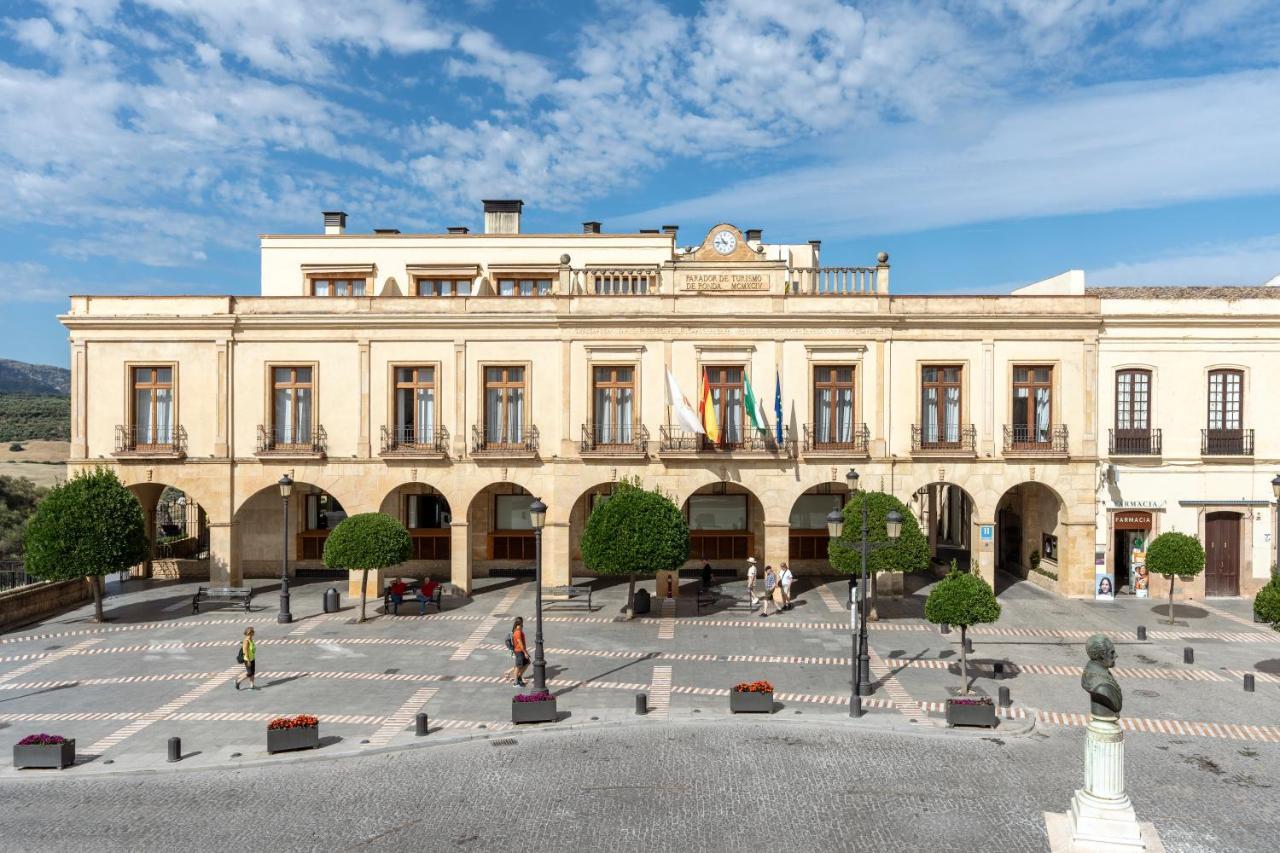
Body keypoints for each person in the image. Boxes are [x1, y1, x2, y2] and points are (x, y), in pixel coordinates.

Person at [505, 616, 529, 686]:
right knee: (518, 666)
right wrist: (525, 652)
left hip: (521, 650)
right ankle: (516, 682)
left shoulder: (518, 630)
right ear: (521, 623)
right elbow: (520, 643)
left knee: (527, 663)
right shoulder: (517, 632)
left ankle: (519, 677)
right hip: (519, 651)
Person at [234, 626, 256, 691]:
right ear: (250, 633)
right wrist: (248, 660)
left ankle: (252, 685)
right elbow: (245, 651)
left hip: (252, 658)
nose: (254, 633)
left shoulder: (251, 639)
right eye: (253, 632)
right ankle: (238, 681)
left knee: (253, 672)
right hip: (247, 659)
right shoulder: (246, 641)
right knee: (249, 673)